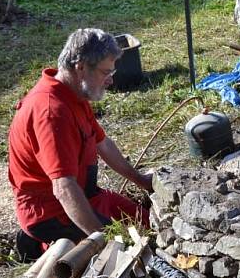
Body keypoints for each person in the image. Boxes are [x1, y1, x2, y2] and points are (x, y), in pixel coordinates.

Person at [8, 28, 152, 259]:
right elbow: (63, 188)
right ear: (81, 67)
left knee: (147, 224)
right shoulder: (51, 113)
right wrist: (102, 237)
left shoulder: (74, 92)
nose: (111, 79)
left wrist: (141, 180)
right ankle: (41, 244)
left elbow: (102, 144)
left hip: (88, 194)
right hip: (53, 211)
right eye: (106, 72)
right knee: (126, 247)